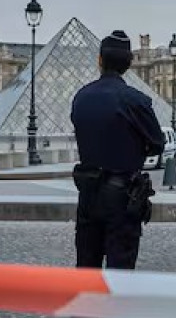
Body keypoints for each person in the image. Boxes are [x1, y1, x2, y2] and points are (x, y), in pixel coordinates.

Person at [70, 30, 164, 269]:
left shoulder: (81, 97)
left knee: (86, 268)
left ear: (99, 60)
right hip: (123, 197)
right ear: (129, 64)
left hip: (88, 194)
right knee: (120, 270)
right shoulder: (136, 101)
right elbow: (157, 144)